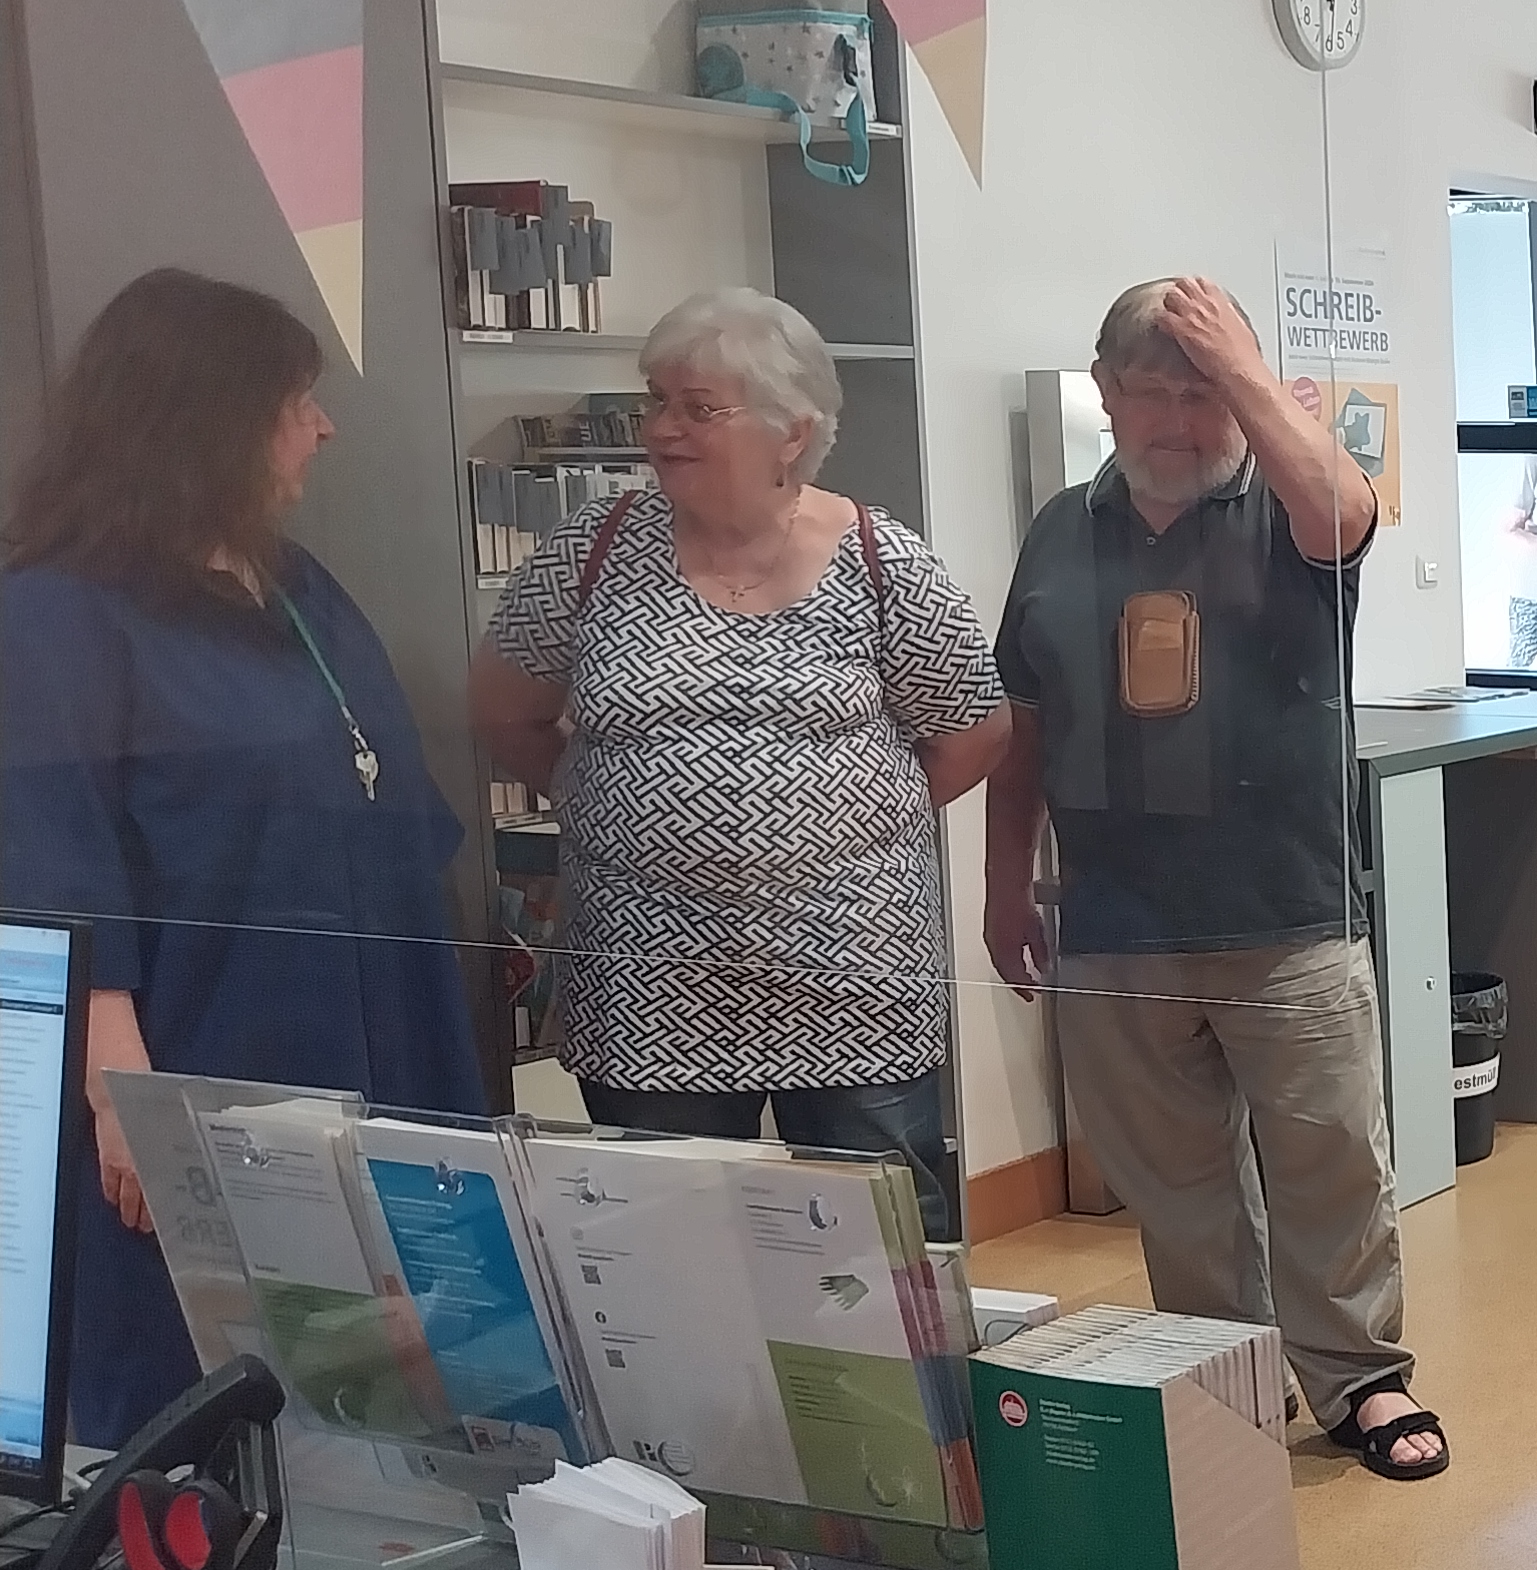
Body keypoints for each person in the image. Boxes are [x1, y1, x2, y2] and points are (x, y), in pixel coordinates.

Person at [0, 269, 483, 1439]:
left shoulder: (296, 586)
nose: (323, 427)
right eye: (296, 402)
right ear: (210, 418)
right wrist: (121, 1099)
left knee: (393, 1391)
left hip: (380, 1037)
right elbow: (51, 863)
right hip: (204, 1052)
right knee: (210, 1397)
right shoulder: (56, 612)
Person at [984, 276, 1447, 1477]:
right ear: (1105, 393)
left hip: (1287, 914)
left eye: (1206, 396)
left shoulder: (1286, 509)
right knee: (1178, 1190)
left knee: (1329, 1163)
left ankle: (1361, 1380)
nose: (1179, 423)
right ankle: (1226, 1378)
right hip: (1114, 924)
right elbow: (1022, 726)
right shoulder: (1059, 530)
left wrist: (1242, 368)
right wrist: (1003, 882)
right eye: (1153, 394)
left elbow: (1347, 511)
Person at [471, 291, 1007, 1243]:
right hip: (648, 976)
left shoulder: (883, 560)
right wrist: (614, 808)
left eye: (697, 408)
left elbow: (974, 731)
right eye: (657, 401)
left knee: (876, 1249)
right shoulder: (594, 547)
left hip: (852, 975)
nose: (660, 429)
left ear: (791, 431)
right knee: (662, 1245)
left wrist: (847, 825)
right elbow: (504, 709)